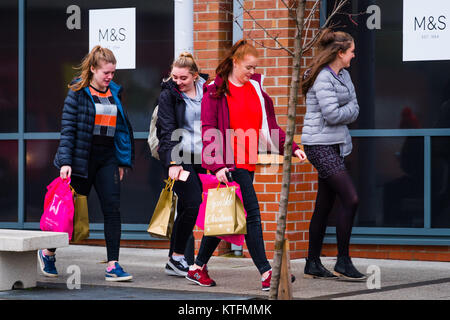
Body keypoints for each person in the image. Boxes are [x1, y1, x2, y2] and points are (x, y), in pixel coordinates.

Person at [186, 39, 307, 291]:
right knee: (252, 214)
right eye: (249, 67)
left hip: (247, 163)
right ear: (235, 62)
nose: (253, 72)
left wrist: (292, 147)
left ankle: (197, 268)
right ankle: (267, 273)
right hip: (228, 166)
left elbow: (270, 126)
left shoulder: (256, 90)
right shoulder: (214, 90)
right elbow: (208, 129)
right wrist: (217, 165)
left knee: (225, 216)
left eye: (255, 68)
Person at [38, 46, 135, 282]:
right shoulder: (78, 92)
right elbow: (68, 129)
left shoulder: (114, 91)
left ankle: (113, 264)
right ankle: (48, 252)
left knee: (112, 208)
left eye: (113, 72)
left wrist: (122, 160)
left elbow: (121, 128)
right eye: (106, 72)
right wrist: (66, 162)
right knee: (68, 213)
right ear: (93, 69)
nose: (110, 77)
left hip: (107, 158)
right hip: (83, 158)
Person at [300, 28, 365, 281]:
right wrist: (347, 108)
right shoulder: (323, 78)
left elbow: (355, 109)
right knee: (351, 198)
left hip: (335, 144)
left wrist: (346, 108)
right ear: (339, 52)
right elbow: (333, 115)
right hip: (319, 145)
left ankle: (313, 262)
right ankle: (343, 261)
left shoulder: (344, 75)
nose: (353, 56)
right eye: (351, 52)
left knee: (324, 205)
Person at [156, 52, 209, 277]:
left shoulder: (208, 91)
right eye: (174, 77)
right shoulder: (169, 94)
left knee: (190, 207)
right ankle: (177, 256)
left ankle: (175, 259)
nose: (177, 82)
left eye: (183, 78)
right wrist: (173, 162)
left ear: (195, 76)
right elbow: (167, 129)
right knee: (193, 202)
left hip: (202, 156)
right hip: (180, 155)